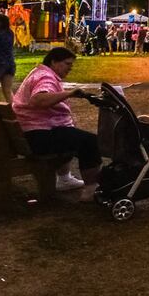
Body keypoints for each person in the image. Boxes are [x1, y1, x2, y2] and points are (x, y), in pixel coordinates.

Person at [11, 46, 102, 199]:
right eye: (67, 64)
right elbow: (38, 100)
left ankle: (65, 178)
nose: (70, 68)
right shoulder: (46, 78)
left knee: (69, 132)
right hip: (38, 136)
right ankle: (91, 188)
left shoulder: (38, 73)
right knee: (90, 142)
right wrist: (70, 93)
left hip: (25, 133)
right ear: (54, 62)